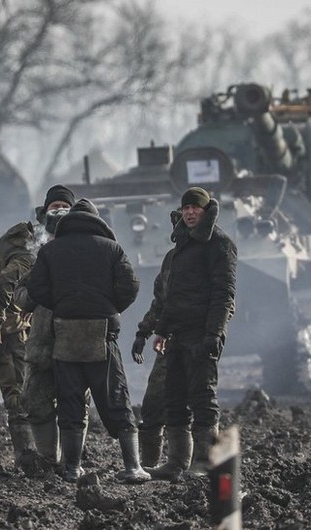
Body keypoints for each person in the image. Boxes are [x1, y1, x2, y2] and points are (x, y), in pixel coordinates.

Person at [27, 198, 149, 483]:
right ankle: (132, 467)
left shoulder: (50, 250)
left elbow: (36, 289)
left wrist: (61, 304)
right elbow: (130, 286)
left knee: (70, 403)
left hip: (65, 334)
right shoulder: (112, 248)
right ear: (97, 220)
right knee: (116, 399)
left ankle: (71, 468)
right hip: (102, 333)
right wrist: (109, 306)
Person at [0, 185, 75, 470]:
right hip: (6, 330)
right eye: (55, 208)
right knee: (18, 394)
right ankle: (27, 458)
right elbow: (1, 286)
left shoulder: (16, 238)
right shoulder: (27, 253)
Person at [147, 187, 237, 481]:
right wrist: (160, 330)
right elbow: (173, 295)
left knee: (202, 398)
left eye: (194, 208)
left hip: (202, 333)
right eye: (185, 208)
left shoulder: (220, 244)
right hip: (177, 333)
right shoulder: (182, 245)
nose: (189, 213)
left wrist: (214, 333)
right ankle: (176, 462)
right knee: (174, 397)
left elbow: (224, 295)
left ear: (205, 210)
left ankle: (205, 462)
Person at [131, 210, 180, 468]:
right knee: (152, 407)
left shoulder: (209, 255)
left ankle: (197, 466)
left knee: (196, 408)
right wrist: (143, 332)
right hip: (170, 342)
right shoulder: (171, 259)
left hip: (195, 341)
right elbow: (161, 301)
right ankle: (150, 465)